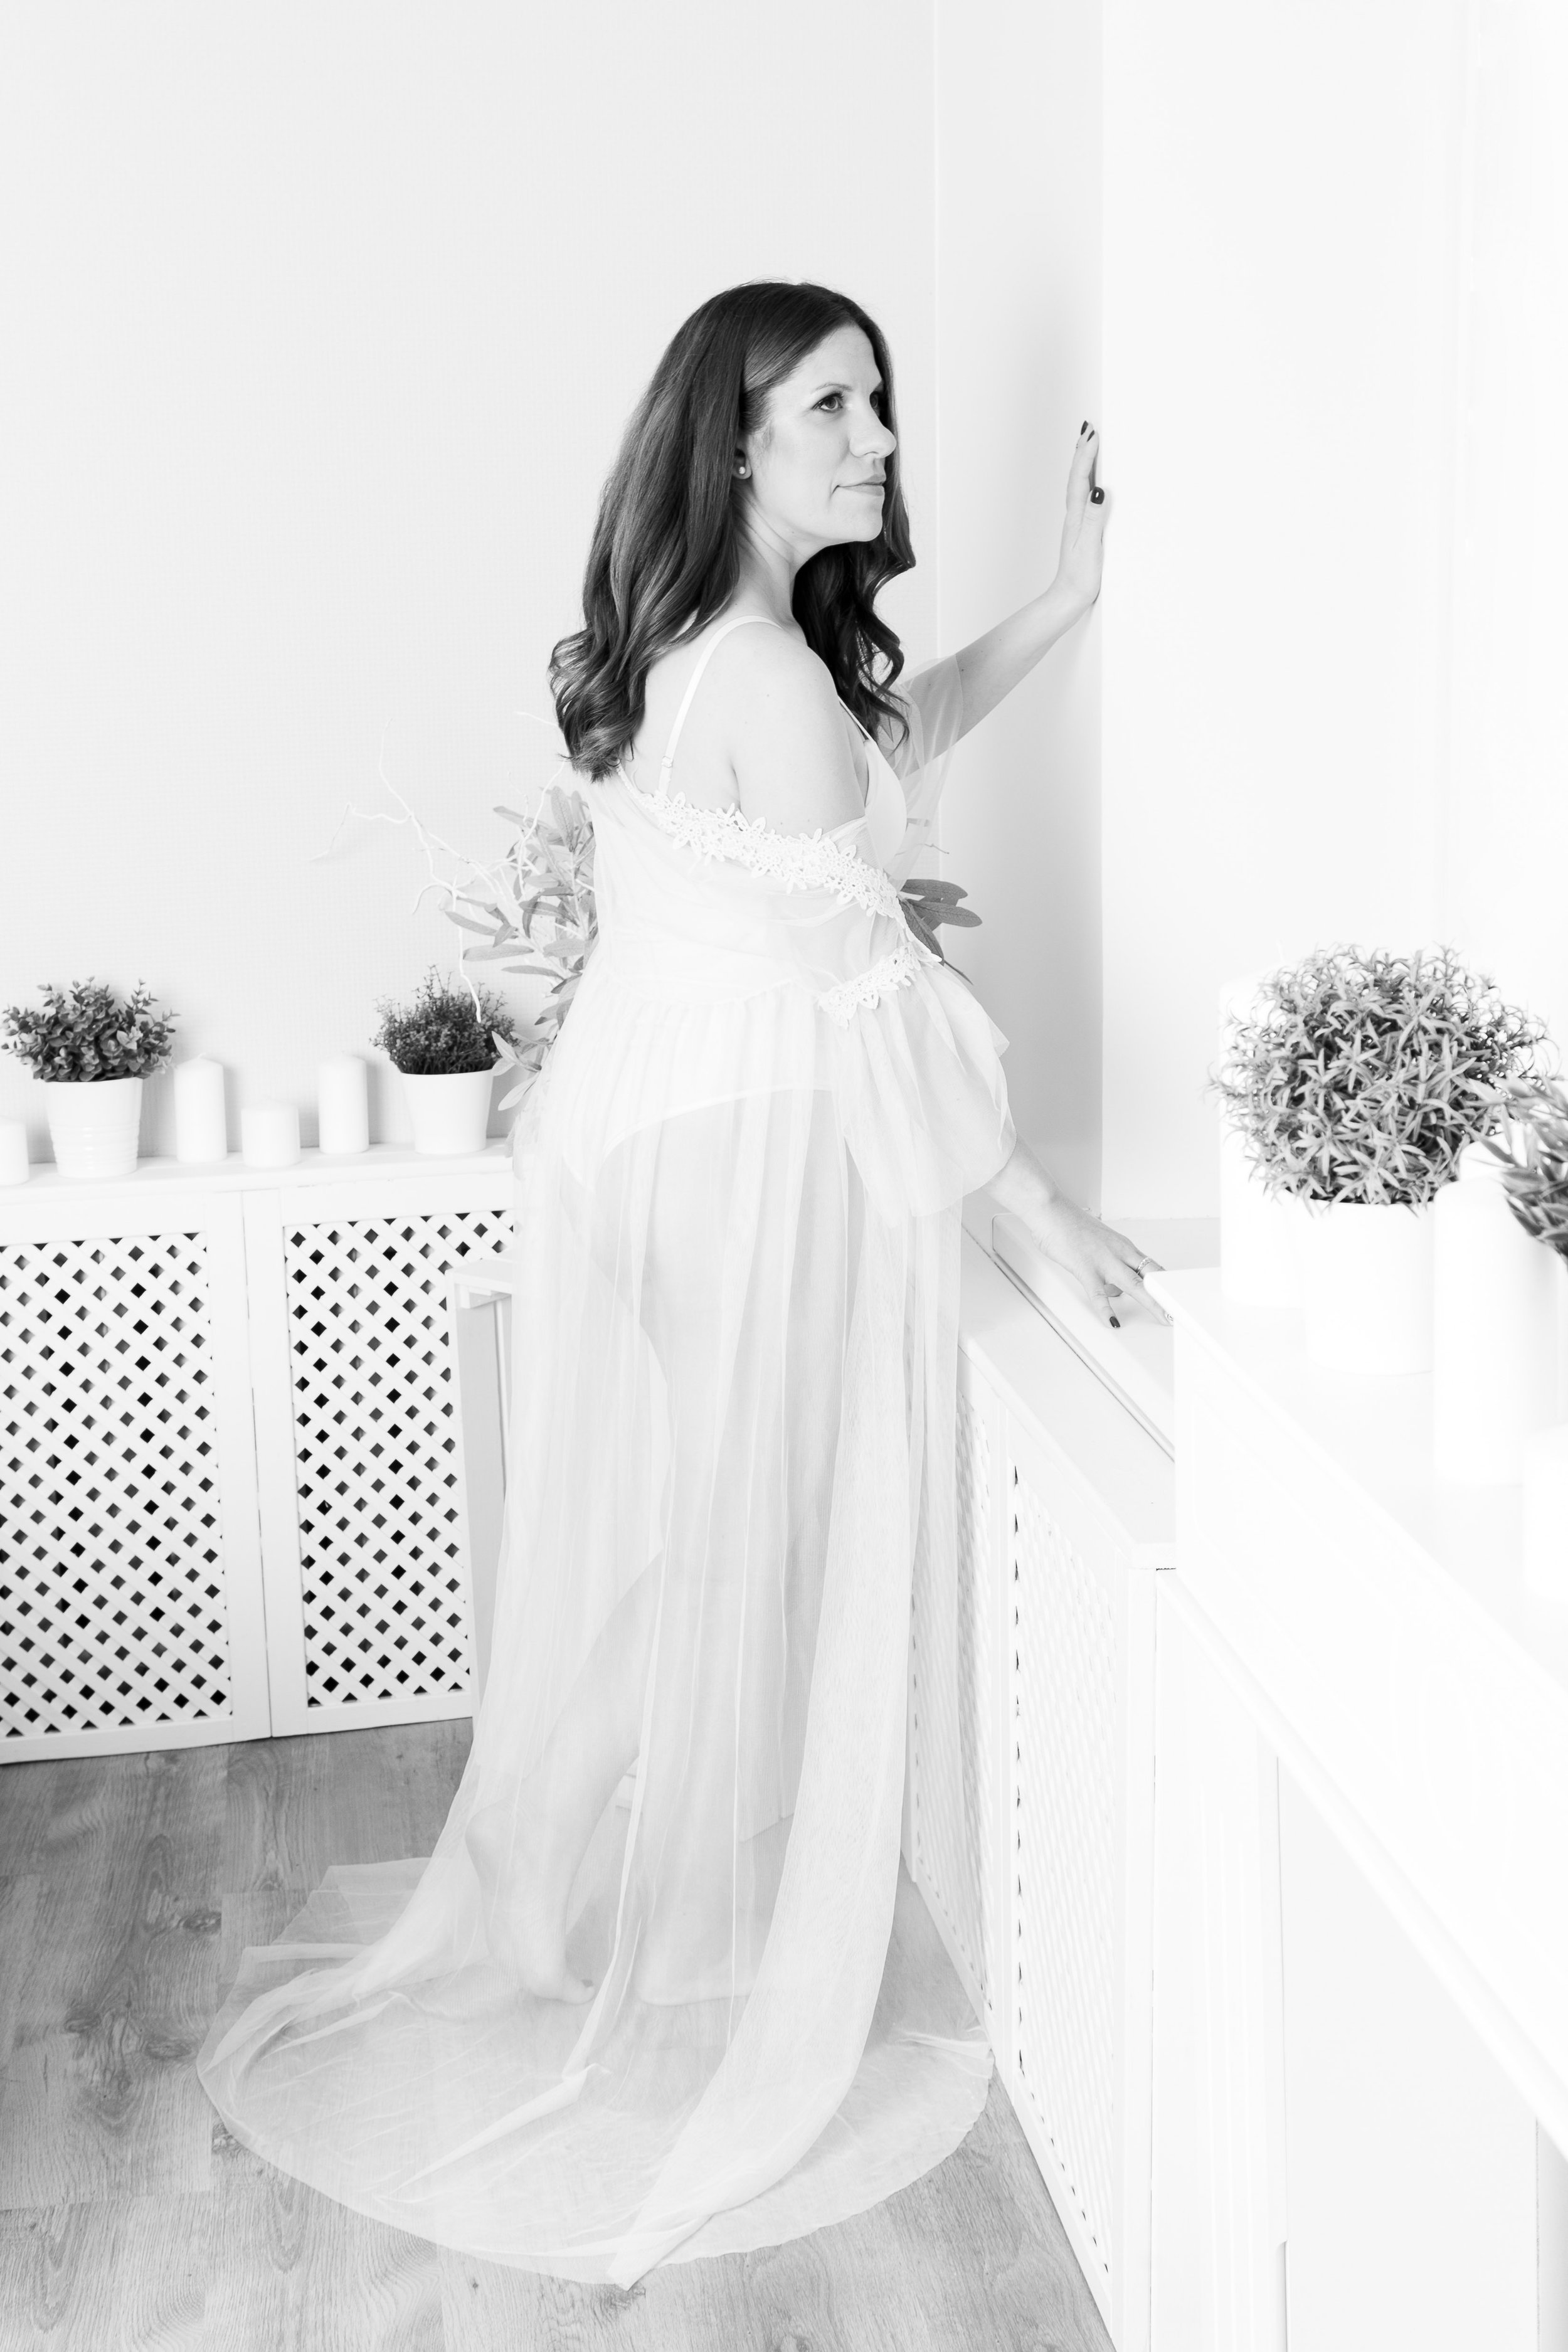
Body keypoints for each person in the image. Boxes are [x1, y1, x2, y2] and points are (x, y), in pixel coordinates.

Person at [196, 278, 1160, 2288]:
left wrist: (1066, 599)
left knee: (716, 1534)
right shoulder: (767, 679)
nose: (878, 441)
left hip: (642, 1137)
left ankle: (532, 1876)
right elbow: (873, 991)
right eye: (832, 408)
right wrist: (1036, 1210)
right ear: (731, 442)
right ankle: (549, 1896)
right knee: (739, 1544)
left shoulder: (702, 652)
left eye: (879, 403)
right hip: (730, 1154)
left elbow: (895, 748)